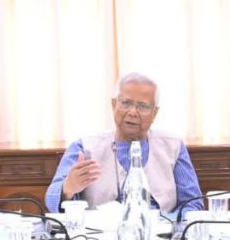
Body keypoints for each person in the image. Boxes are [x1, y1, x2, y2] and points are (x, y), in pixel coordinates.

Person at [45, 72, 203, 213]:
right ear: (114, 105)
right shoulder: (84, 146)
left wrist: (166, 222)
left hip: (161, 232)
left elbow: (193, 204)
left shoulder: (173, 146)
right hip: (99, 233)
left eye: (142, 106)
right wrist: (68, 188)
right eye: (126, 103)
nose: (132, 112)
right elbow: (51, 200)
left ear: (155, 113)